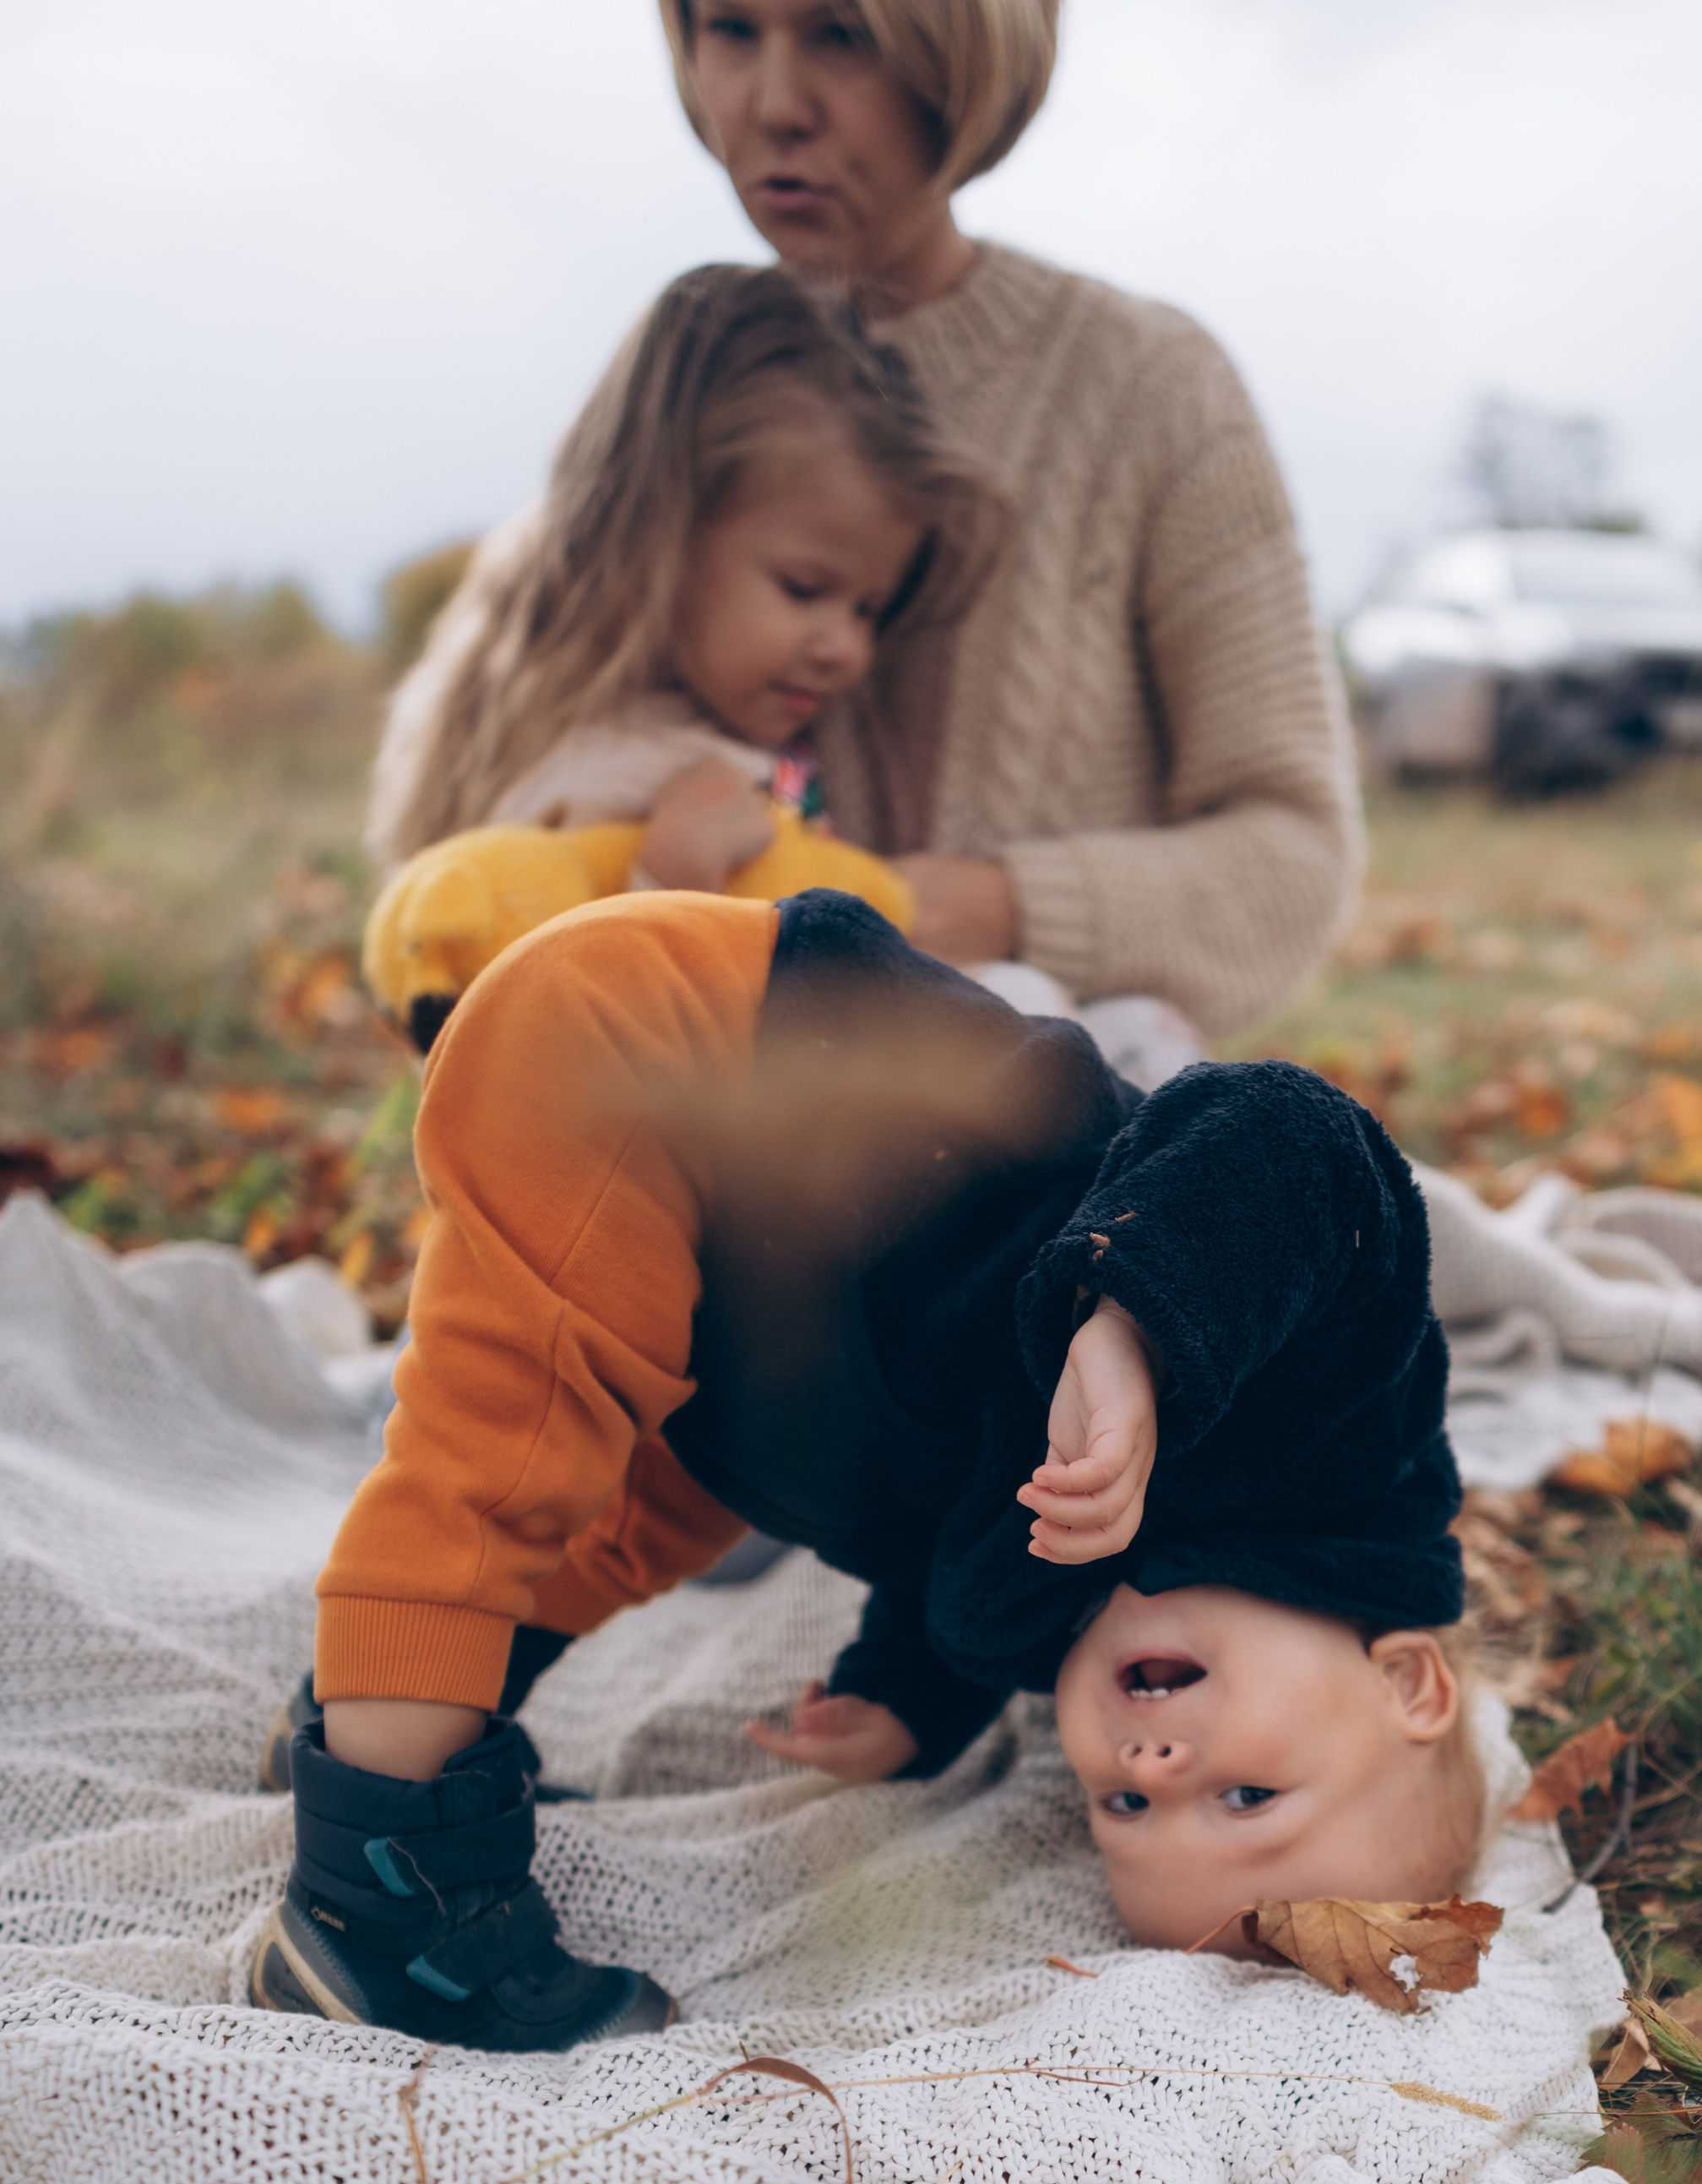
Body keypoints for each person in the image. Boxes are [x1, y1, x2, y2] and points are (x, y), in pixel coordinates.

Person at [252, 890, 1476, 2052]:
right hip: (699, 1069)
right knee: (503, 1462)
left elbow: (955, 1548)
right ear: (1408, 1684)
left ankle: (382, 1722)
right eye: (1252, 1795)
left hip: (757, 1341)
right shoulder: (1343, 1438)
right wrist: (1135, 1327)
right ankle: (378, 1906)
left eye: (1129, 1813)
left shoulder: (1101, 1604)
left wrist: (907, 1701)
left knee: (619, 1526)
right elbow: (1291, 1138)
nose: (1155, 1770)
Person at [372, 0, 1359, 1070]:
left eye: (842, 34)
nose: (773, 104)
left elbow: (1292, 858)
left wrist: (961, 909)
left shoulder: (1149, 390)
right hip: (712, 1134)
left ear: (965, 50)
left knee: (1361, 1208)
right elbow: (456, 847)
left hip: (1079, 1129)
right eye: (728, 28)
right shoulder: (683, 384)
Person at [365, 259, 987, 1022]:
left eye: (869, 610)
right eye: (802, 588)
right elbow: (539, 1032)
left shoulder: (702, 731)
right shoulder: (598, 768)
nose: (846, 650)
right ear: (662, 541)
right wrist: (671, 875)